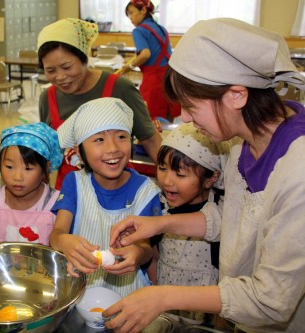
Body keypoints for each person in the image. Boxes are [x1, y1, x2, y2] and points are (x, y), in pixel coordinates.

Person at [104, 18, 305, 333]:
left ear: (236, 95)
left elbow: (272, 299)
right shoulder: (241, 141)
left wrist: (163, 296)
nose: (183, 117)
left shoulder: (298, 173)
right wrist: (161, 223)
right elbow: (234, 217)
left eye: (190, 105)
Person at [50, 97, 162, 296]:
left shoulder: (146, 191)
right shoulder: (74, 183)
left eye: (121, 136)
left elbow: (146, 249)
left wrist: (137, 254)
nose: (113, 148)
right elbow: (57, 234)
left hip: (130, 294)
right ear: (79, 152)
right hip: (80, 291)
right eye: (99, 139)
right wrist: (64, 242)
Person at [36, 18, 162, 190]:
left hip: (119, 192)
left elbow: (151, 139)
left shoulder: (119, 88)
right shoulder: (47, 98)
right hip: (70, 195)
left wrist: (170, 179)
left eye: (67, 67)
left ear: (84, 58)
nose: (60, 77)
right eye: (50, 70)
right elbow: (47, 154)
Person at [150, 122, 224, 323]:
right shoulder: (161, 205)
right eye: (162, 168)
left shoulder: (218, 212)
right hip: (163, 303)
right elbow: (154, 256)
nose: (167, 181)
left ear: (211, 178)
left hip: (203, 310)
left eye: (180, 174)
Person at [0, 122, 63, 246]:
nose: (17, 177)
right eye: (9, 167)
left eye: (28, 169)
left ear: (46, 169)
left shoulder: (56, 203)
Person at [119, 0, 180, 121]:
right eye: (128, 15)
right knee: (168, 115)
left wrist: (129, 66)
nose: (130, 18)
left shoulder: (139, 30)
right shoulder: (162, 29)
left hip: (154, 80)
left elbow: (145, 54)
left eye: (131, 13)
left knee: (153, 119)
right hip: (170, 77)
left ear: (143, 10)